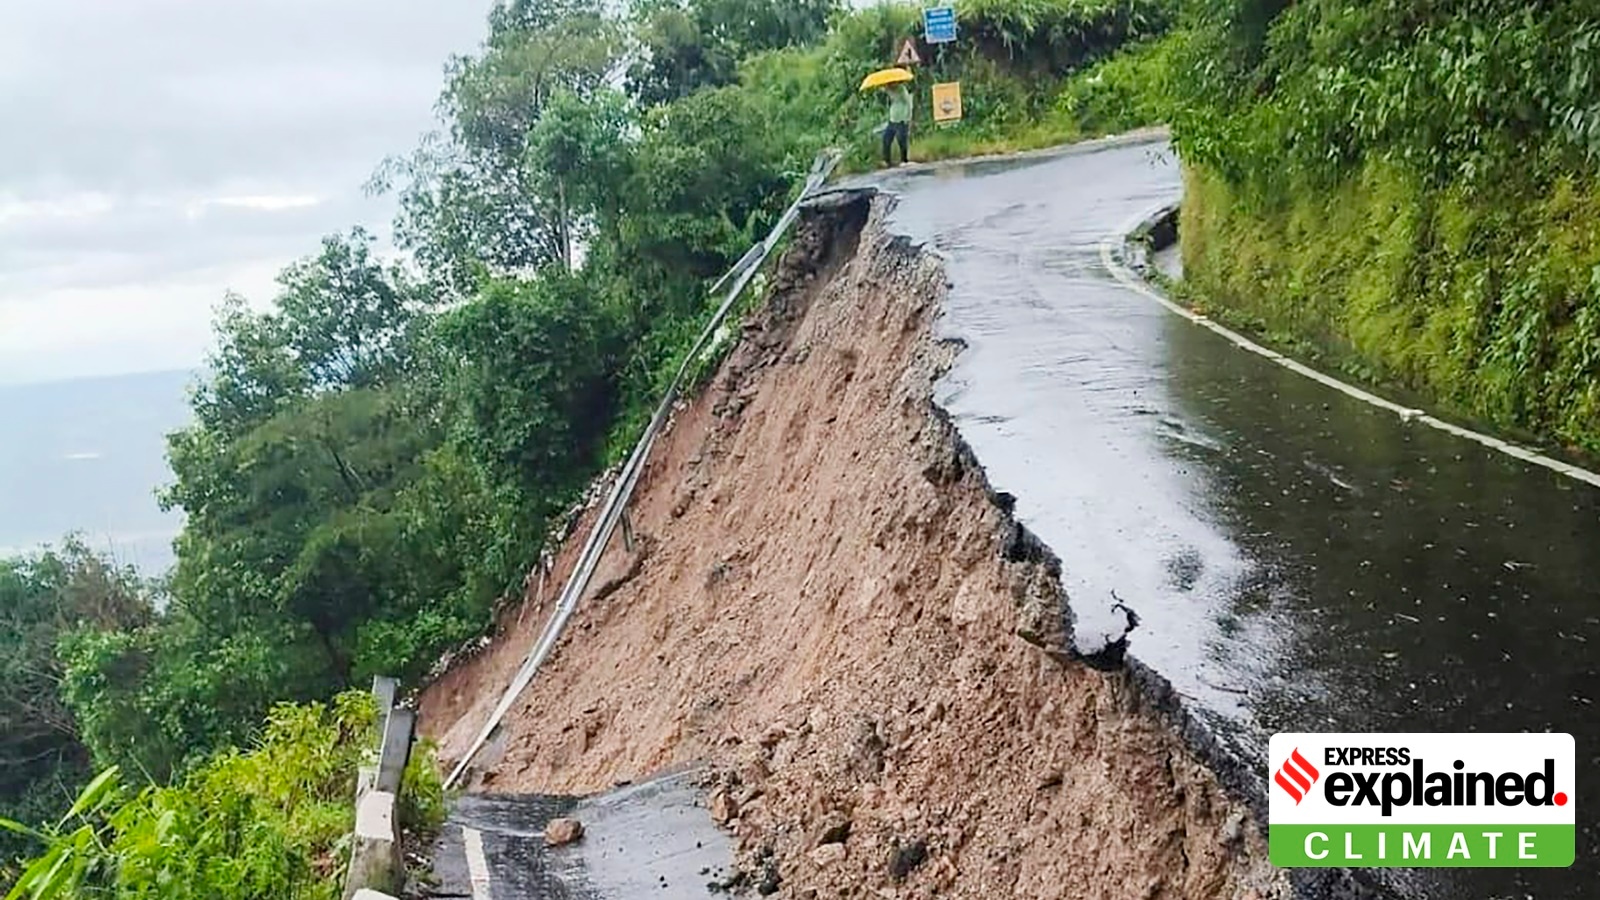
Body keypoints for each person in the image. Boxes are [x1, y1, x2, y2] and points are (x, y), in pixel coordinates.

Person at [883, 83, 912, 167]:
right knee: (886, 139)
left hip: (902, 119)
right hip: (893, 119)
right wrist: (886, 90)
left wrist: (908, 117)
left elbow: (908, 103)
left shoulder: (901, 89)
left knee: (901, 140)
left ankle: (904, 160)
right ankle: (887, 161)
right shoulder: (889, 90)